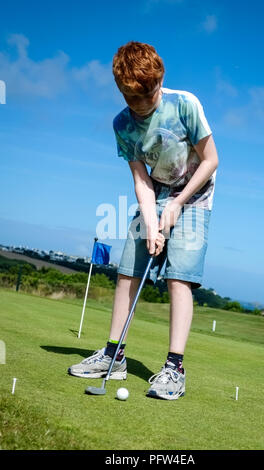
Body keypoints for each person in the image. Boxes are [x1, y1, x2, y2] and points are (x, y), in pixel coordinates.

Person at [68, 41, 219, 400]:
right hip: (156, 193)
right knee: (127, 272)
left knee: (179, 279)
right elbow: (140, 178)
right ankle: (113, 356)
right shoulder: (122, 124)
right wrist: (152, 222)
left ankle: (173, 368)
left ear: (160, 79)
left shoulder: (185, 104)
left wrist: (178, 203)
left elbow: (211, 160)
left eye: (149, 93)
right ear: (122, 90)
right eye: (134, 97)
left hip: (195, 198)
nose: (143, 103)